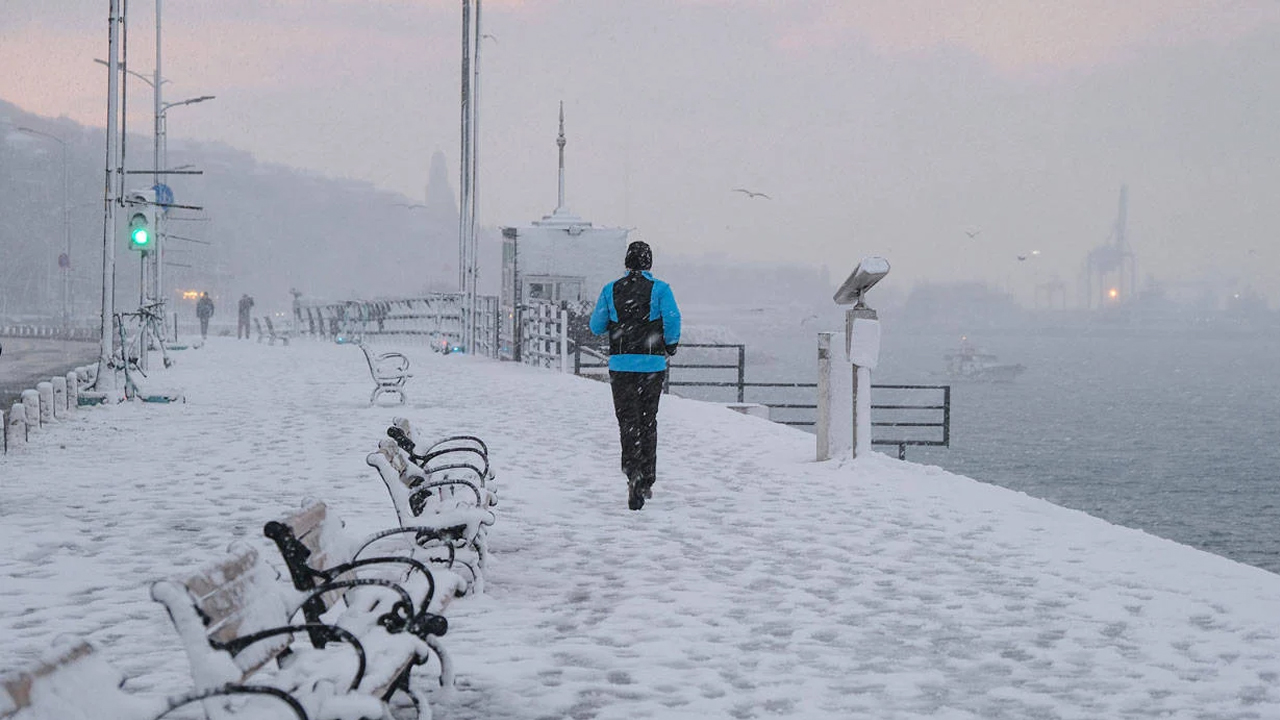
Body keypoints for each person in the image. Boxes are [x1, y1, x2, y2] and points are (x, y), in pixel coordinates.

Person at [589, 240, 682, 510]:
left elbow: (596, 326)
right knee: (647, 420)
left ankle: (632, 473)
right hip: (651, 366)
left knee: (627, 421)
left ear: (627, 262)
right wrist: (671, 345)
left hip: (621, 366)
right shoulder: (661, 289)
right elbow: (673, 319)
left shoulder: (610, 289)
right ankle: (647, 478)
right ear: (649, 263)